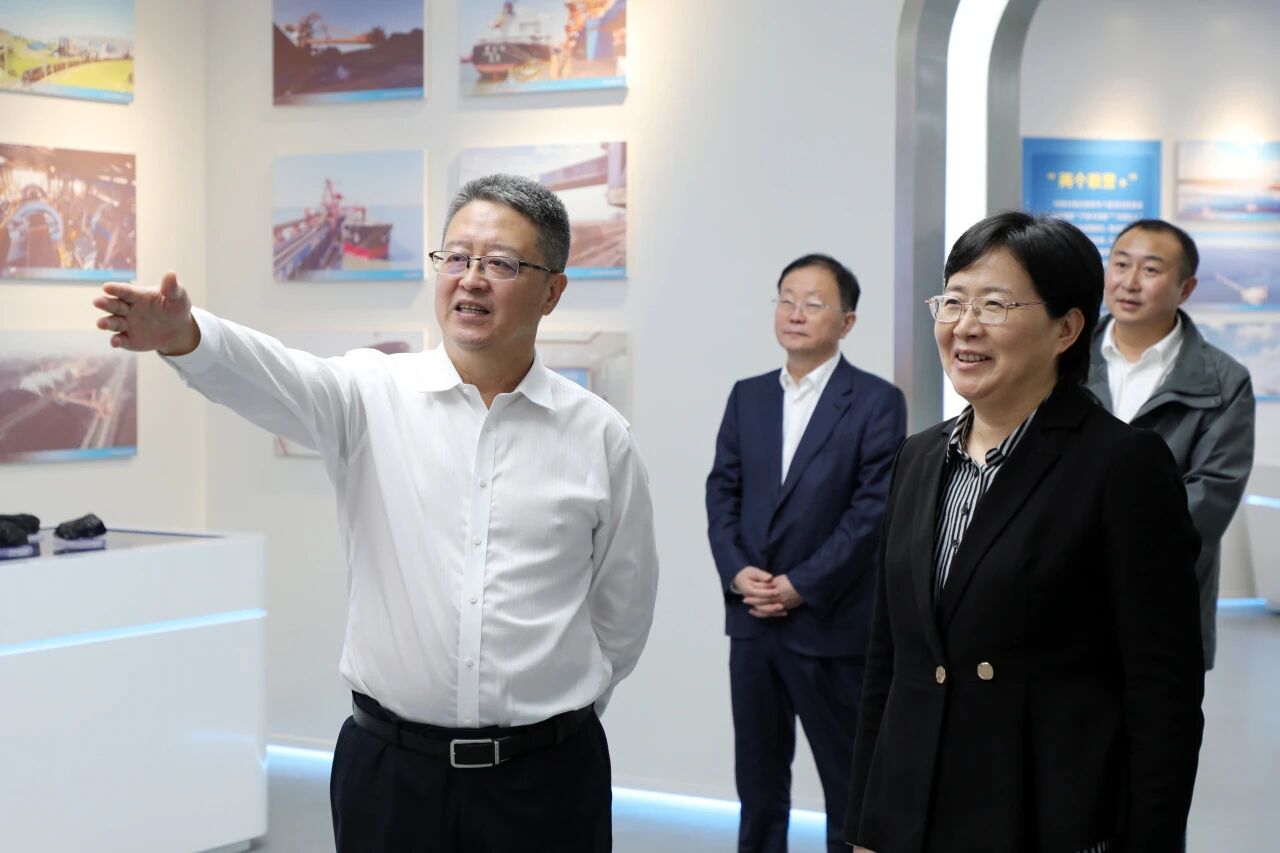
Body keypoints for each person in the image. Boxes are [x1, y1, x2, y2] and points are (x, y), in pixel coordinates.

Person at [92, 174, 659, 853]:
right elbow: (272, 376)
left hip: (547, 780)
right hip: (392, 776)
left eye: (501, 264)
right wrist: (186, 335)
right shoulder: (371, 394)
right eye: (457, 257)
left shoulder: (598, 436)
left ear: (552, 291)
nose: (471, 279)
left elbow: (622, 611)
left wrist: (550, 720)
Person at [844, 212, 1204, 853]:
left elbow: (1163, 695)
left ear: (1067, 328)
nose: (965, 325)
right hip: (913, 814)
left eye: (995, 304)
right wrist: (866, 827)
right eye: (953, 301)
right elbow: (889, 662)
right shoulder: (919, 456)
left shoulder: (1121, 465)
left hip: (1040, 816)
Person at [706, 254, 906, 853]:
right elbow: (722, 491)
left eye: (813, 303)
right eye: (787, 299)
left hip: (829, 624)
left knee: (849, 786)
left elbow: (872, 512)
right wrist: (737, 571)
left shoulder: (876, 400)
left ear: (846, 321)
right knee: (758, 784)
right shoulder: (748, 396)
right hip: (752, 624)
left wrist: (801, 585)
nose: (795, 313)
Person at [1089, 218, 1255, 670]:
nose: (1129, 282)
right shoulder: (1062, 358)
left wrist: (1109, 547)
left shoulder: (1224, 381)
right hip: (1059, 599)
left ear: (1186, 288)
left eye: (1150, 269)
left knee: (1157, 711)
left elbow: (1212, 494)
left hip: (1163, 603)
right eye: (1120, 264)